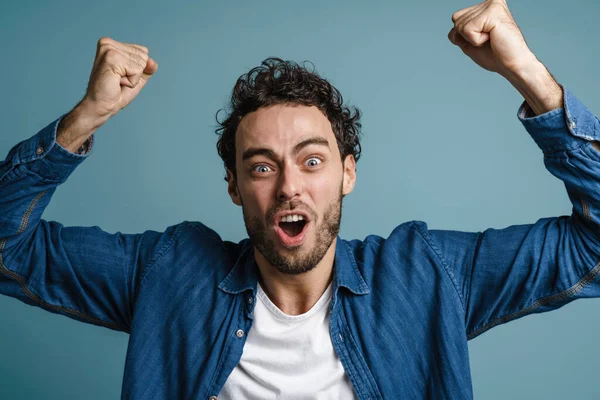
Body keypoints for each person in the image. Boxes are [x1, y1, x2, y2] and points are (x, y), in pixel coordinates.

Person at [1, 0, 599, 398]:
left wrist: (531, 78)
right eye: (262, 166)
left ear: (347, 173)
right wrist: (87, 116)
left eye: (312, 161)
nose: (289, 186)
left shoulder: (427, 277)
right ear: (234, 186)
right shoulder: (168, 274)